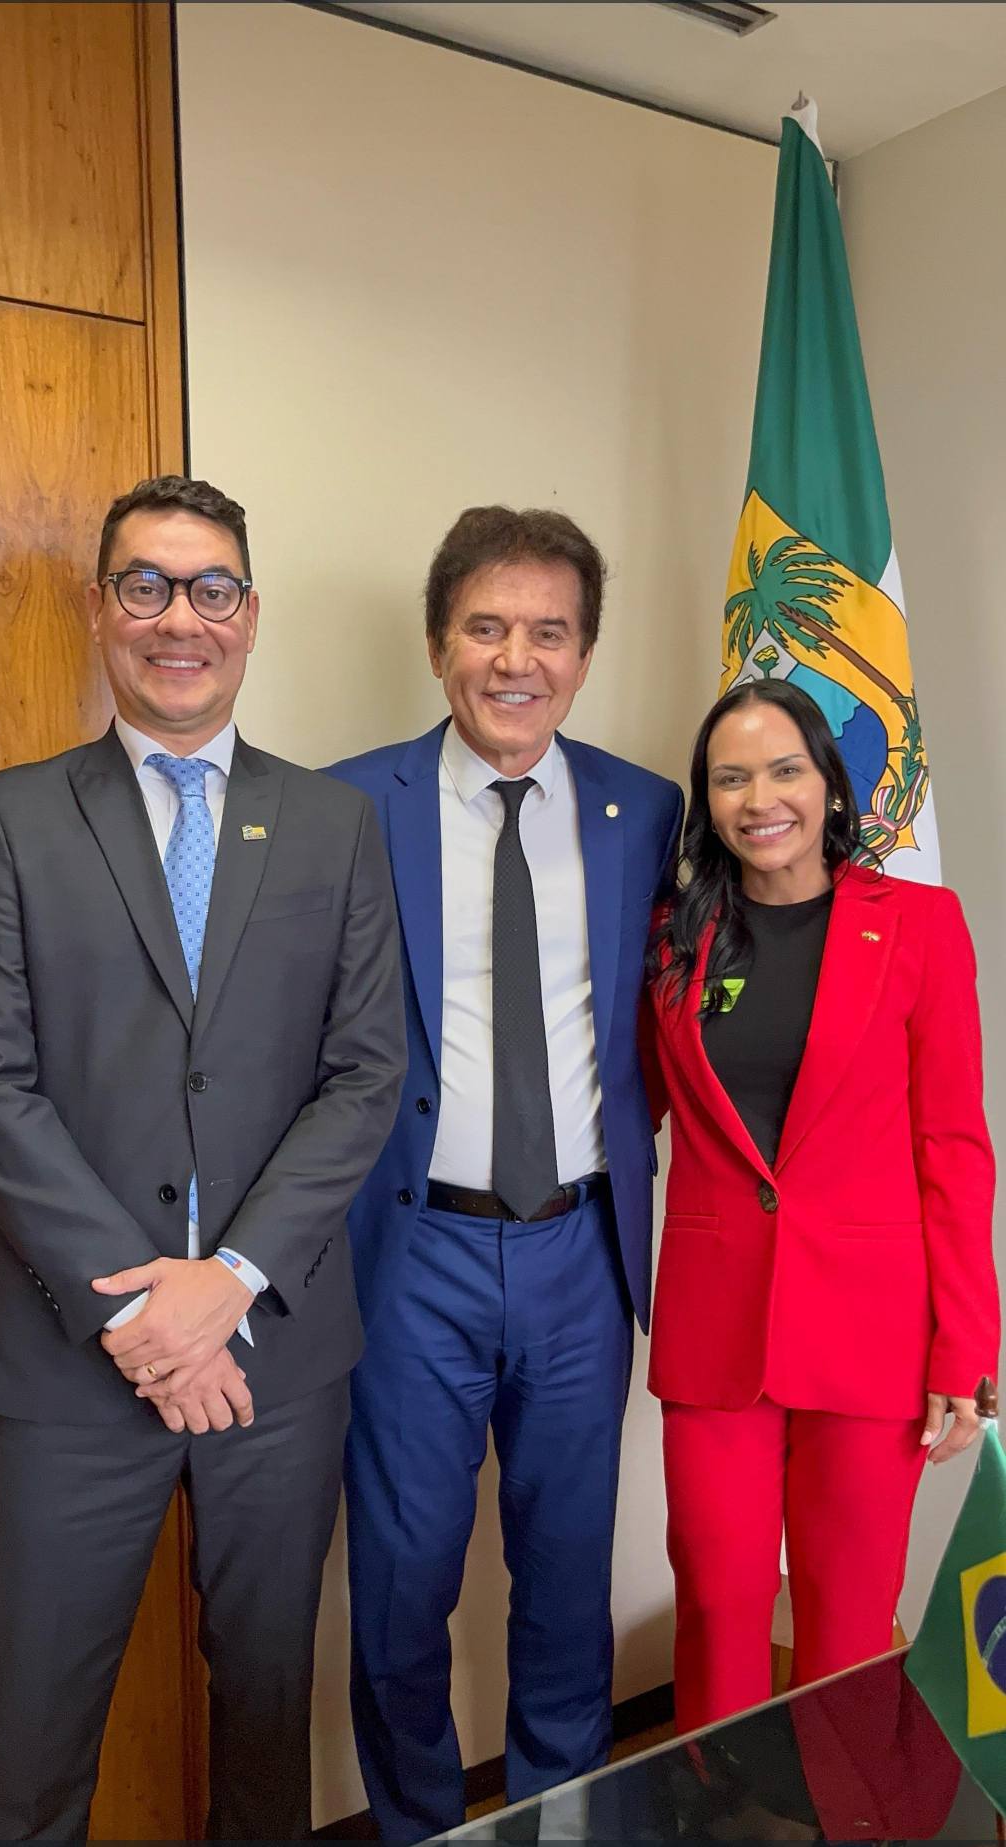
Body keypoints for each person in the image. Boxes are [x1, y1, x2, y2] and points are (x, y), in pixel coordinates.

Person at [0, 475, 406, 1842]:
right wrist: (144, 1311)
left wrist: (231, 1278)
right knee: (30, 1736)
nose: (178, 619)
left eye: (210, 589)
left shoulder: (332, 823)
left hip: (276, 1357)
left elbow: (365, 1073)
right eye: (145, 585)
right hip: (70, 1355)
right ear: (100, 609)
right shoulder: (9, 820)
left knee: (265, 1722)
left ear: (249, 614)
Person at [327, 505, 684, 1841]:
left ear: (584, 653)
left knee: (566, 1583)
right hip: (411, 1252)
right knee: (400, 1586)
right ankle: (418, 1822)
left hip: (581, 1251)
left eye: (549, 631)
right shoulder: (347, 806)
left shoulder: (644, 808)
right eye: (486, 626)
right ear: (439, 644)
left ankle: (559, 1820)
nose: (516, 658)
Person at [642, 676, 1000, 1733]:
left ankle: (847, 1806)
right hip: (716, 1332)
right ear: (708, 800)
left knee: (847, 1623)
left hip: (872, 1331)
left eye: (785, 769)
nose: (761, 798)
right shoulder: (672, 938)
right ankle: (720, 1802)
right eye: (731, 777)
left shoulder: (920, 924)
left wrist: (966, 1348)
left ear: (831, 785)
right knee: (720, 1604)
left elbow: (954, 1145)